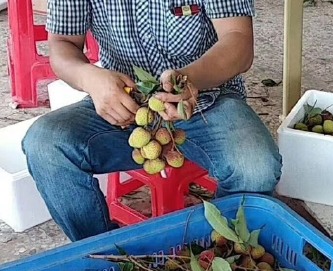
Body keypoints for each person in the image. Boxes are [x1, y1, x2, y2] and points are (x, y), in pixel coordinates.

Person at [22, 0, 283, 242]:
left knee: (255, 167)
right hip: (125, 104)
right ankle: (103, 258)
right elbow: (63, 44)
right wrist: (89, 78)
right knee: (45, 144)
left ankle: (221, 255)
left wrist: (190, 79)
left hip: (207, 100)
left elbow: (238, 42)